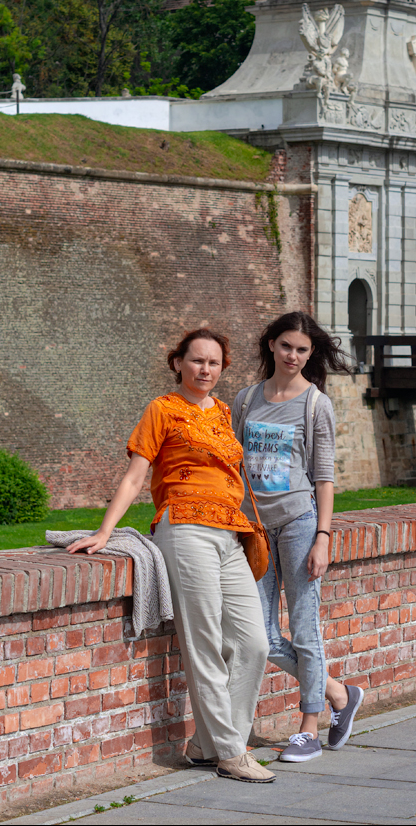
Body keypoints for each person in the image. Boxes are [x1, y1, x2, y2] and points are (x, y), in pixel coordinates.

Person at [67, 328, 274, 784]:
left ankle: (206, 744)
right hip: (184, 530)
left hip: (230, 533)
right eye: (197, 360)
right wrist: (105, 530)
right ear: (177, 361)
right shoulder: (162, 409)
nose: (205, 370)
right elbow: (135, 475)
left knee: (253, 643)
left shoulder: (222, 412)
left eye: (214, 363)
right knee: (203, 644)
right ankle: (231, 753)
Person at [232, 311, 364, 763]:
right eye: (286, 345)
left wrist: (323, 536)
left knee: (304, 629)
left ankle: (309, 726)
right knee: (259, 636)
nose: (293, 355)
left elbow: (324, 477)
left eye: (302, 349)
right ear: (271, 344)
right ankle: (337, 692)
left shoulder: (315, 403)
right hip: (253, 528)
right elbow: (233, 466)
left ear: (311, 354)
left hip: (299, 523)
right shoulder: (246, 400)